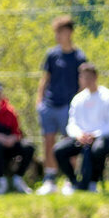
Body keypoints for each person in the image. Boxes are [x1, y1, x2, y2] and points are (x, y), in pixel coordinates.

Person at [35, 15, 88, 195]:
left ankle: (69, 180)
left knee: (69, 144)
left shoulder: (79, 57)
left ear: (70, 33)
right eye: (56, 32)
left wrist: (77, 106)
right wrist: (40, 101)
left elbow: (83, 84)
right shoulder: (52, 54)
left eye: (61, 32)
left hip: (68, 106)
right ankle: (49, 179)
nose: (58, 36)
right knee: (48, 141)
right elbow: (45, 78)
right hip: (49, 105)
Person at [53, 63, 109, 193]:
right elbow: (71, 124)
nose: (86, 80)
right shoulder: (78, 99)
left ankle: (92, 182)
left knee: (97, 149)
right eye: (83, 77)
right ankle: (74, 182)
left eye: (89, 77)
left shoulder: (108, 97)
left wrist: (95, 135)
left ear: (95, 77)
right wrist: (79, 134)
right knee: (59, 150)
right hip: (82, 138)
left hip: (103, 138)